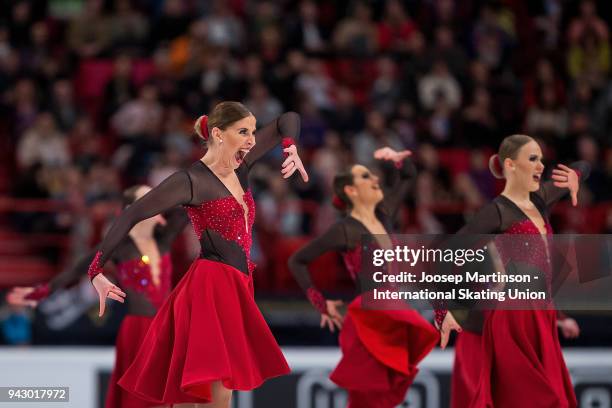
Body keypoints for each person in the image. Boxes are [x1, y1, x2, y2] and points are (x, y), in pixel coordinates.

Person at [85, 102, 309, 407]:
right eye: (243, 132)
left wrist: (290, 147)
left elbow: (288, 118)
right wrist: (95, 271)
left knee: (207, 394)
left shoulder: (241, 168)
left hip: (237, 285)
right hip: (211, 286)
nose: (252, 140)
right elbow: (131, 214)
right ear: (218, 134)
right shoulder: (191, 180)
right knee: (211, 391)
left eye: (253, 131)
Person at [437, 134, 589, 408]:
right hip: (511, 318)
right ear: (511, 165)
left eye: (541, 158)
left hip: (540, 316)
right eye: (533, 159)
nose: (541, 165)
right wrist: (442, 310)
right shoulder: (497, 212)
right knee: (537, 400)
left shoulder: (540, 199)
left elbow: (583, 166)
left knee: (556, 399)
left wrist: (575, 177)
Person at [7, 184, 189, 408]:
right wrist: (42, 292)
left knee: (166, 397)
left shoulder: (164, 239)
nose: (154, 203)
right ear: (131, 209)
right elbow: (76, 269)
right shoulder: (120, 246)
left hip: (165, 328)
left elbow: (189, 205)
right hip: (139, 330)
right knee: (141, 398)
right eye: (146, 199)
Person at [289, 147, 439, 408]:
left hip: (392, 314)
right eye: (366, 177)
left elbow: (409, 176)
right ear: (351, 191)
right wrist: (320, 302)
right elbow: (297, 260)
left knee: (384, 399)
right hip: (369, 320)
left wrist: (396, 159)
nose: (375, 180)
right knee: (367, 398)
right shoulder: (345, 230)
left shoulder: (384, 215)